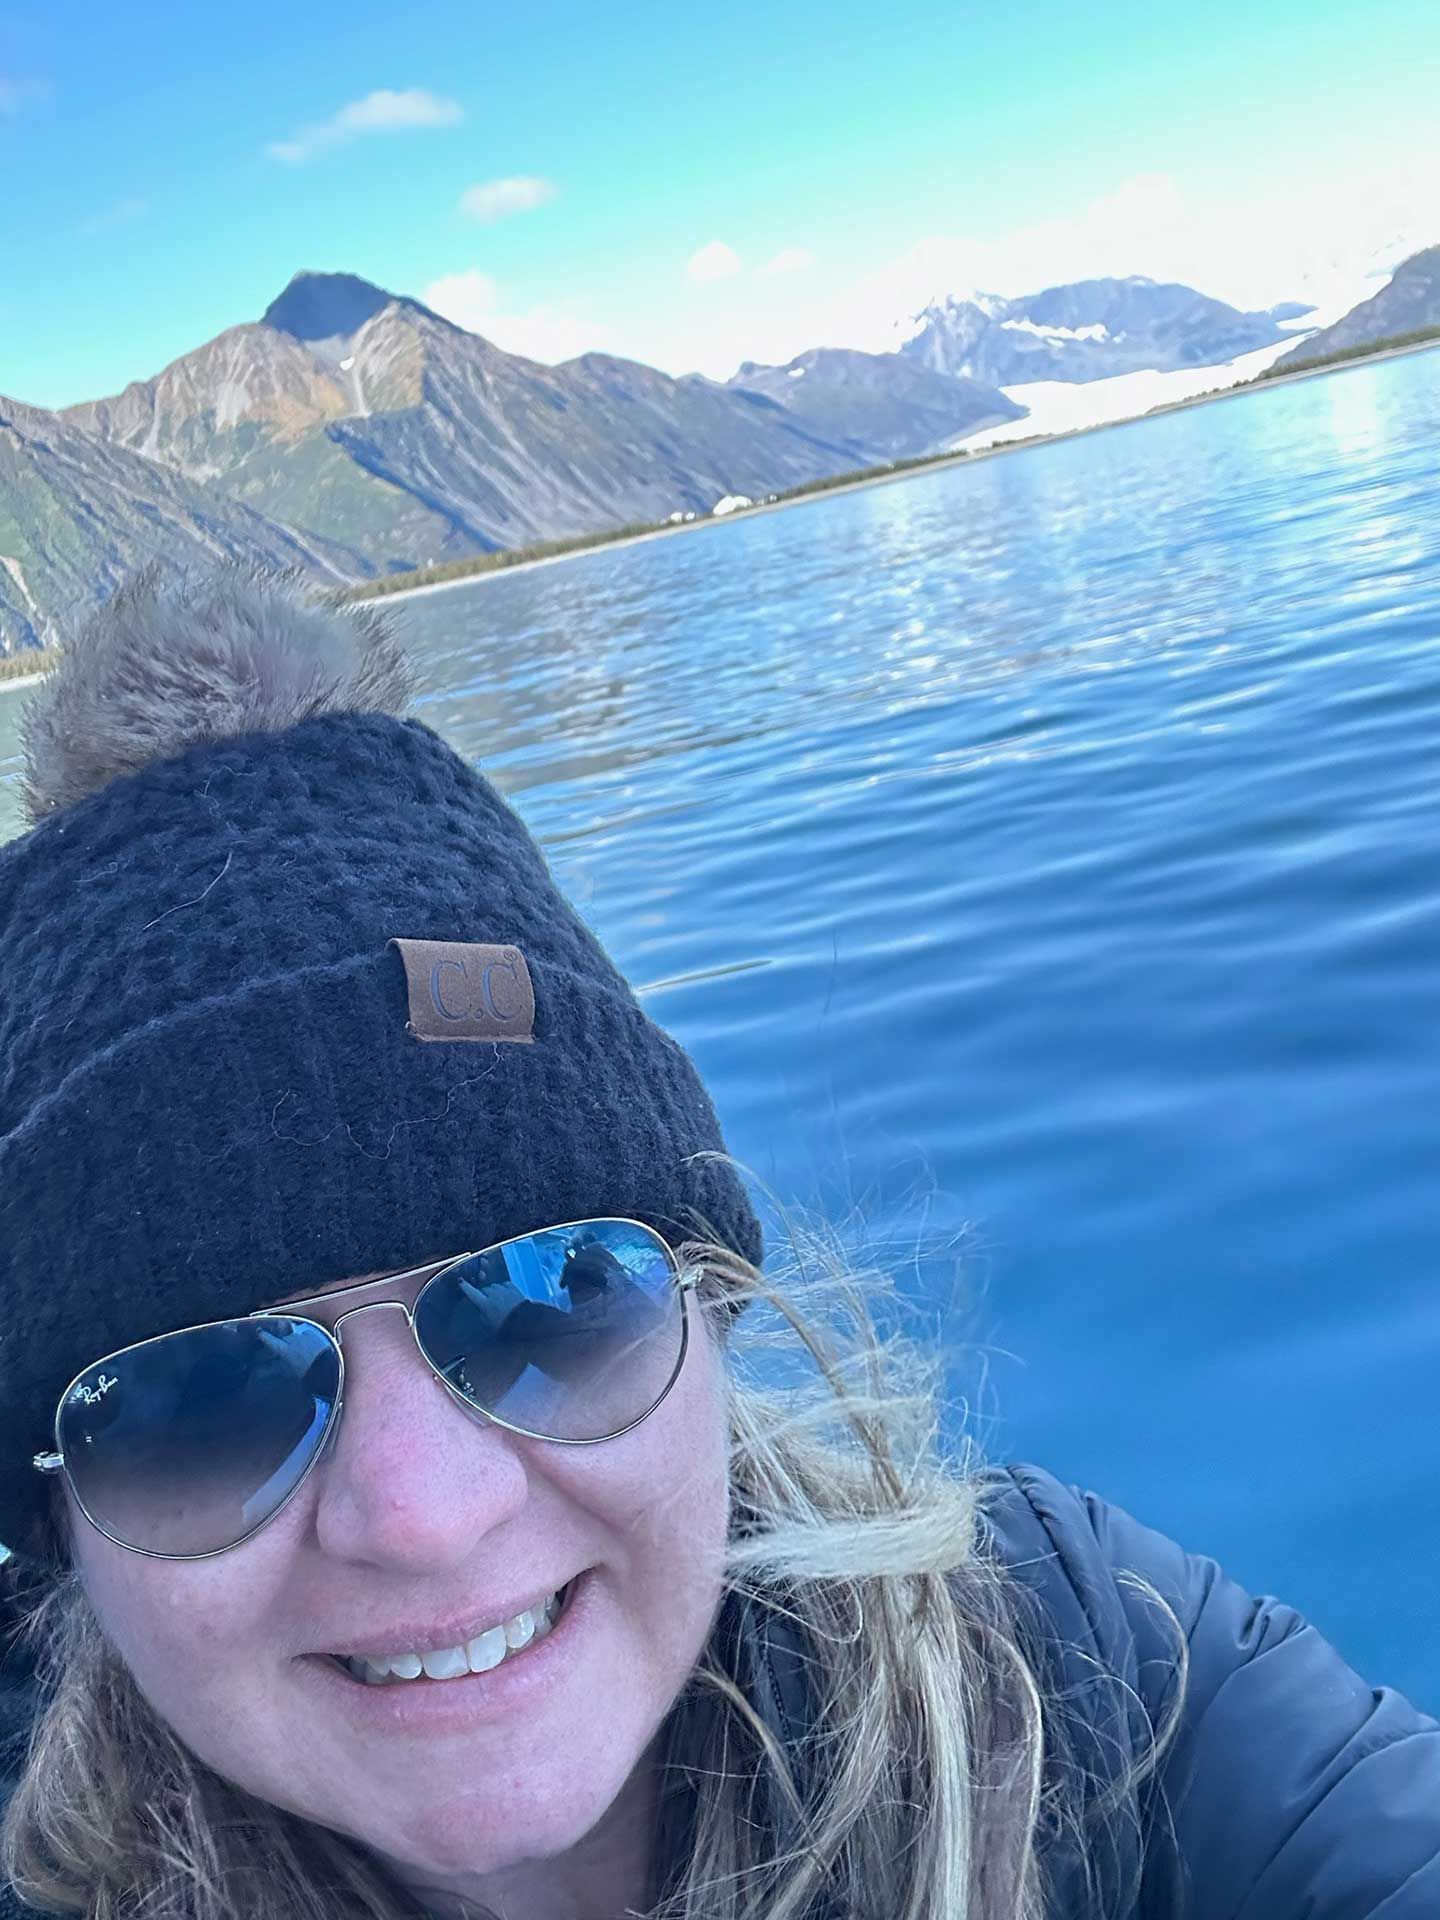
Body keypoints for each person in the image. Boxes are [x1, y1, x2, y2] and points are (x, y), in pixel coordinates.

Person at [0, 567, 1435, 1920]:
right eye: (201, 1406)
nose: (425, 1515)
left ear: (707, 1310)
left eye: (549, 1304)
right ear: (58, 1526)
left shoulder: (1078, 1668)